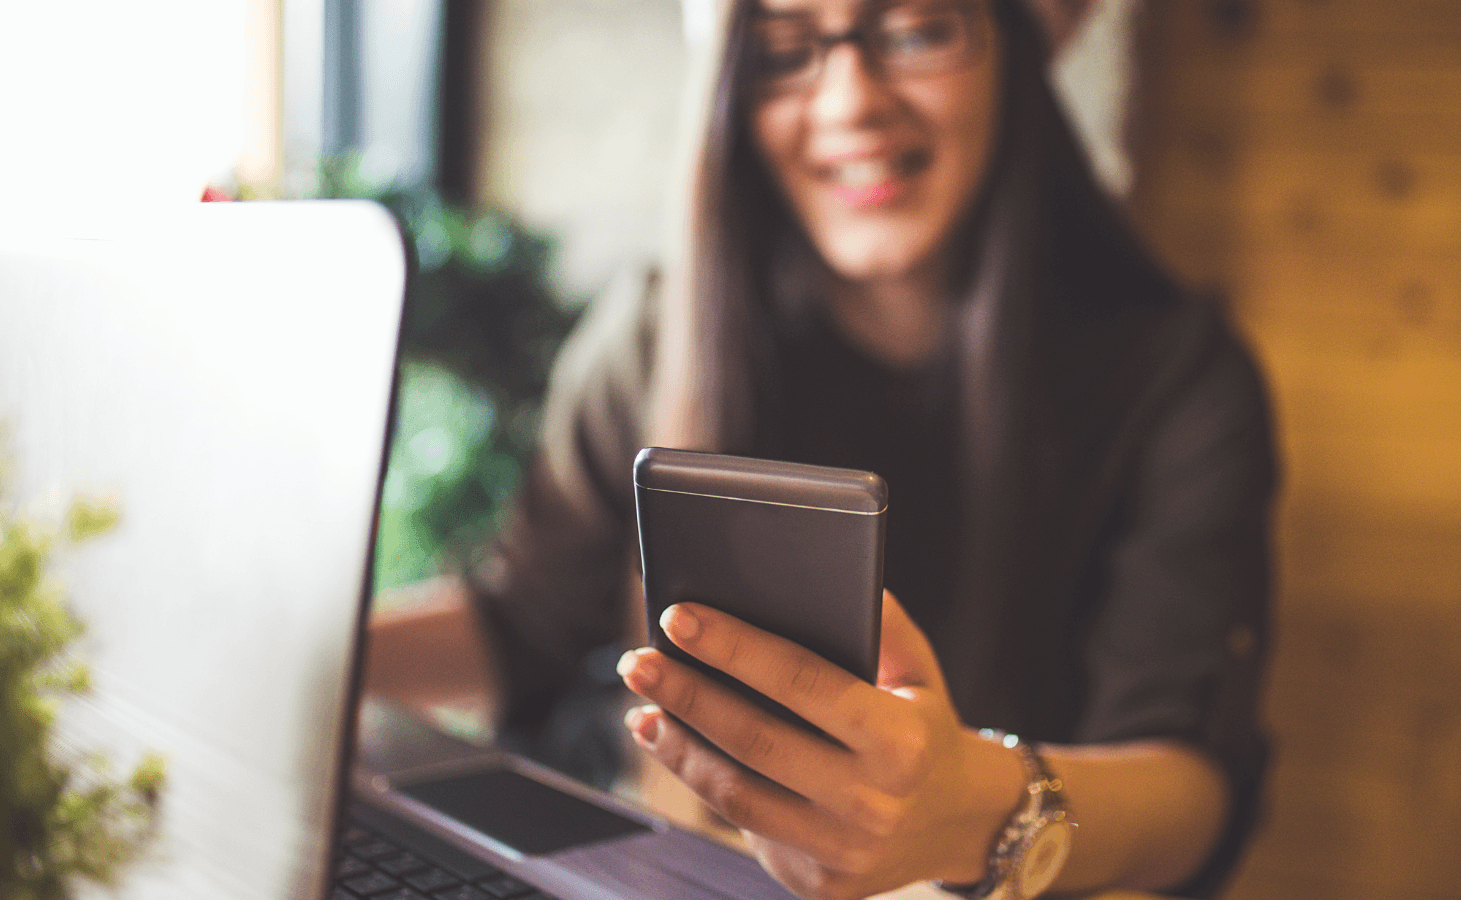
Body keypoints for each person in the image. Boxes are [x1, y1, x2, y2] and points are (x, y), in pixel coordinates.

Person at [364, 0, 1277, 898]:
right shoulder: (653, 330)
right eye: (784, 46)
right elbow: (524, 620)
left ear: (1018, 46)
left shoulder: (1178, 381)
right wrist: (311, 654)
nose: (849, 101)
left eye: (917, 29)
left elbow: (1192, 793)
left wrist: (967, 809)